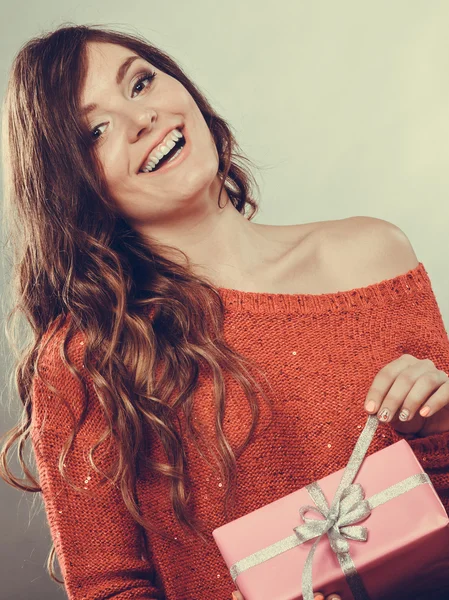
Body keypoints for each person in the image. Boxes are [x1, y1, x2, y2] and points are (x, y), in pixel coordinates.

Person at [1, 23, 449, 600]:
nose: (143, 120)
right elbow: (107, 589)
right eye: (96, 129)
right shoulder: (83, 358)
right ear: (73, 184)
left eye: (140, 83)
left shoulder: (374, 254)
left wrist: (439, 429)